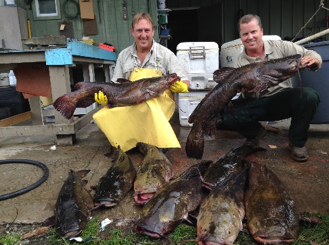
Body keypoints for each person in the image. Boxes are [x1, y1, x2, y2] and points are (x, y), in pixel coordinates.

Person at [218, 14, 322, 162]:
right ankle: (255, 132)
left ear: (261, 31)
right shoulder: (239, 63)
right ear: (240, 36)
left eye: (253, 32)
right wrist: (245, 90)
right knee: (222, 113)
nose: (250, 37)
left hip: (282, 99)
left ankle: (297, 143)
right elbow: (237, 93)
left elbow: (310, 53)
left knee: (308, 95)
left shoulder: (281, 46)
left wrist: (315, 60)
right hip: (256, 103)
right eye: (245, 34)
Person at [93, 12, 190, 152]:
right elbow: (116, 84)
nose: (143, 35)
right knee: (103, 114)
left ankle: (154, 140)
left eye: (147, 30)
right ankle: (129, 141)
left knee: (149, 111)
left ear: (153, 31)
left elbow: (186, 81)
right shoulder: (124, 55)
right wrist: (106, 97)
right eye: (139, 30)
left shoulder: (166, 54)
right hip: (130, 99)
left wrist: (182, 86)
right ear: (132, 31)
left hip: (157, 104)